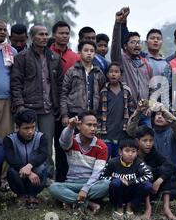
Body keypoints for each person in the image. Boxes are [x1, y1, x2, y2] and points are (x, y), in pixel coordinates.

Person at [11, 24, 64, 179]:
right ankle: (26, 174)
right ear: (32, 37)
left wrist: (60, 106)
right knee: (28, 144)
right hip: (28, 108)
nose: (44, 37)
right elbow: (16, 83)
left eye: (46, 34)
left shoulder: (54, 57)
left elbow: (60, 85)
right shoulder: (22, 57)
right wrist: (20, 106)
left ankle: (46, 176)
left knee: (46, 144)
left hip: (48, 109)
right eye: (40, 34)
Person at [48, 112, 109, 213]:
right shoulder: (72, 141)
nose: (93, 129)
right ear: (79, 126)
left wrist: (85, 189)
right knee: (52, 187)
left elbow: (97, 173)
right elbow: (63, 142)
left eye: (95, 125)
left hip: (91, 184)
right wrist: (70, 127)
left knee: (107, 184)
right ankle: (88, 204)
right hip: (72, 183)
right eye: (89, 125)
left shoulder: (102, 146)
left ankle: (70, 200)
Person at [110, 7, 153, 124]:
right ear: (124, 46)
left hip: (145, 114)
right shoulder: (121, 60)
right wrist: (118, 24)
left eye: (138, 42)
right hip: (127, 112)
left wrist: (150, 106)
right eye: (133, 42)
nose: (137, 45)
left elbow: (152, 89)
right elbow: (115, 45)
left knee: (146, 141)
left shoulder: (146, 64)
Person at [49, 21, 79, 182]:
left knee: (67, 144)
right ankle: (54, 178)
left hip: (68, 108)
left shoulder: (75, 57)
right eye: (61, 33)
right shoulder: (46, 54)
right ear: (54, 35)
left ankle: (69, 178)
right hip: (48, 106)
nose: (64, 36)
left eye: (67, 33)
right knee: (51, 143)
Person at [4, 109, 48, 208]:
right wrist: (27, 171)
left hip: (35, 174)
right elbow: (10, 159)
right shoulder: (9, 139)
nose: (30, 131)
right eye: (26, 128)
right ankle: (21, 195)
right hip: (19, 175)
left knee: (42, 168)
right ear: (17, 127)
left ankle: (33, 195)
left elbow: (43, 155)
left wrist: (29, 166)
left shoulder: (41, 137)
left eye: (33, 127)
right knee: (11, 171)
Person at [101, 138, 153, 220]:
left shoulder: (139, 163)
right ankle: (119, 207)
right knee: (116, 183)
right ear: (120, 152)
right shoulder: (112, 162)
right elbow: (102, 176)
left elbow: (149, 176)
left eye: (133, 151)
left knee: (147, 185)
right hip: (116, 194)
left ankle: (130, 207)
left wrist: (130, 182)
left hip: (132, 193)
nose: (130, 154)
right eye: (127, 151)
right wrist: (117, 179)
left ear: (137, 153)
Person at [135, 126, 176, 220]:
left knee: (164, 171)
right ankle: (148, 208)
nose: (148, 144)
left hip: (152, 190)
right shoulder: (132, 152)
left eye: (151, 140)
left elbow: (171, 165)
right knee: (146, 169)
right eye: (145, 140)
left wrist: (158, 181)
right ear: (137, 141)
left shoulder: (153, 152)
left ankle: (166, 208)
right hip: (136, 191)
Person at [127, 101, 176, 170]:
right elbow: (130, 131)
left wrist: (164, 110)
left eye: (163, 114)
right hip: (151, 173)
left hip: (171, 172)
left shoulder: (174, 133)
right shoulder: (149, 132)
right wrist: (138, 111)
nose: (159, 116)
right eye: (157, 114)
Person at [60, 41, 106, 125]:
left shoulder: (98, 72)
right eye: (86, 50)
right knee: (73, 137)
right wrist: (64, 115)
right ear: (79, 52)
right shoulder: (72, 71)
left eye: (92, 51)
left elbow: (103, 92)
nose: (89, 53)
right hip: (74, 113)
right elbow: (64, 93)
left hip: (92, 114)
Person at [97, 62, 132, 159]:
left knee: (118, 158)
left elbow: (131, 109)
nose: (113, 74)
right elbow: (99, 112)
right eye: (111, 72)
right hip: (106, 132)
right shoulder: (103, 91)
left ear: (121, 75)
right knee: (105, 158)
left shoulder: (126, 91)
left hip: (121, 132)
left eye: (116, 72)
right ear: (107, 74)